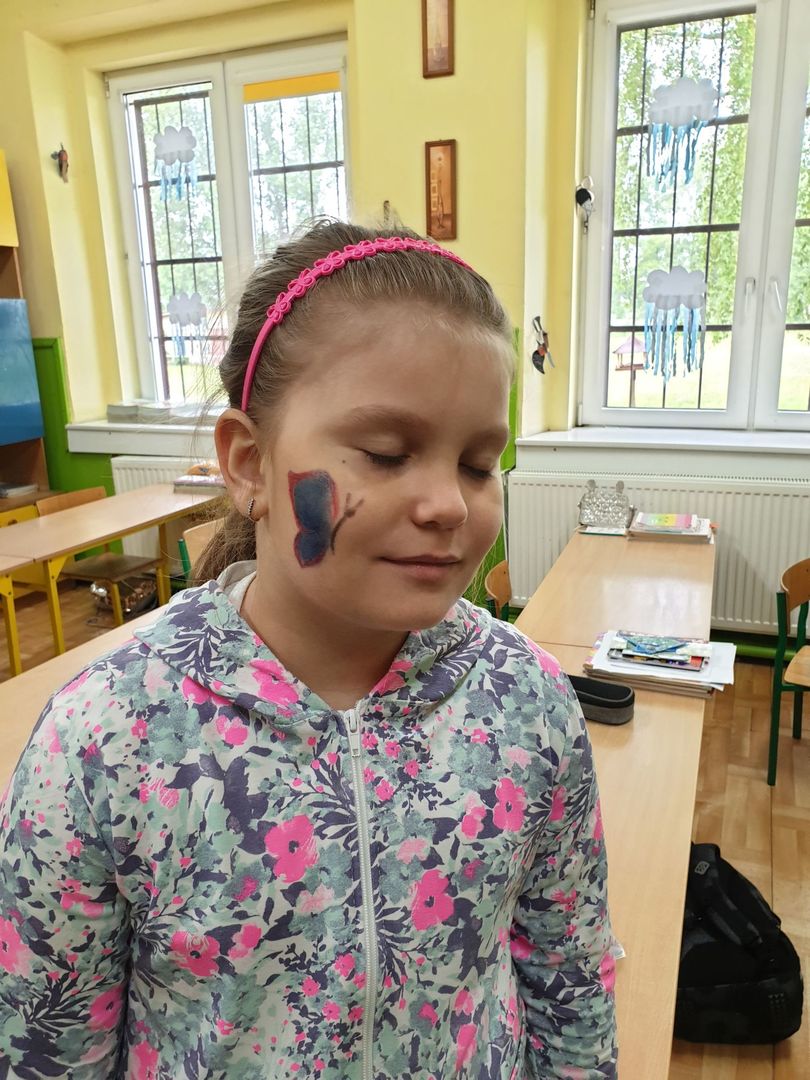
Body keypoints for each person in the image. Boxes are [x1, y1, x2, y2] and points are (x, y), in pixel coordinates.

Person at [0, 222, 617, 1078]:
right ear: (250, 463)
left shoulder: (529, 706)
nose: (448, 503)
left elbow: (571, 979)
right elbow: (48, 1047)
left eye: (479, 464)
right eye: (387, 454)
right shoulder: (103, 740)